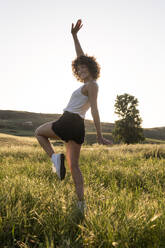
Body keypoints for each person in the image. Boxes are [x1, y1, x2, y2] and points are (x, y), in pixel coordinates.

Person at [35, 19, 112, 214]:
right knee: (74, 167)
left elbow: (94, 109)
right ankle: (80, 205)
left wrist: (100, 135)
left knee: (39, 133)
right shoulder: (89, 83)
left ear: (92, 69)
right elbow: (80, 58)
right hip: (78, 127)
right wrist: (75, 36)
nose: (80, 69)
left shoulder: (92, 85)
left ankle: (54, 158)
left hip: (69, 120)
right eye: (79, 68)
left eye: (84, 67)